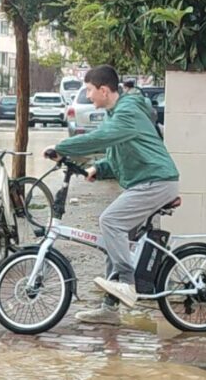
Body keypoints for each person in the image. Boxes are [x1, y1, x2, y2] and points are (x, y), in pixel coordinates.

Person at [45, 64, 180, 325]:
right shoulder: (115, 114)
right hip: (147, 181)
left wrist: (61, 147)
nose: (88, 96)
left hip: (156, 181)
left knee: (110, 221)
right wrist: (99, 168)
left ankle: (128, 284)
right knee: (112, 241)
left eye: (89, 90)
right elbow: (118, 155)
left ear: (104, 90)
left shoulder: (126, 112)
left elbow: (101, 138)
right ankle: (110, 309)